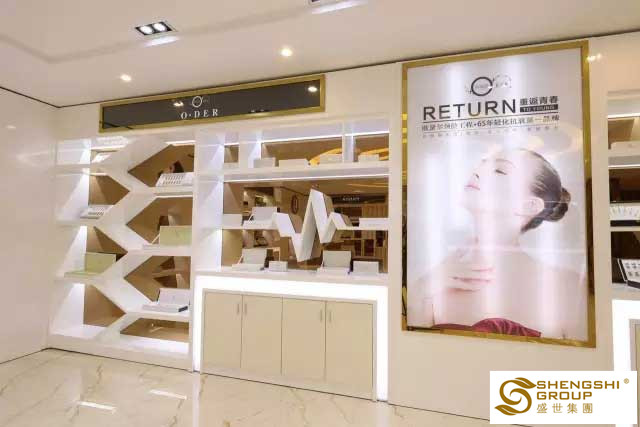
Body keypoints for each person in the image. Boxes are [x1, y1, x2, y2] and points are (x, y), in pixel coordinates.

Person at [407, 149, 587, 340]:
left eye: (500, 170)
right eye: (482, 164)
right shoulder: (435, 279)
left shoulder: (567, 286)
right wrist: (419, 293)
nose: (477, 171)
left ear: (529, 206)